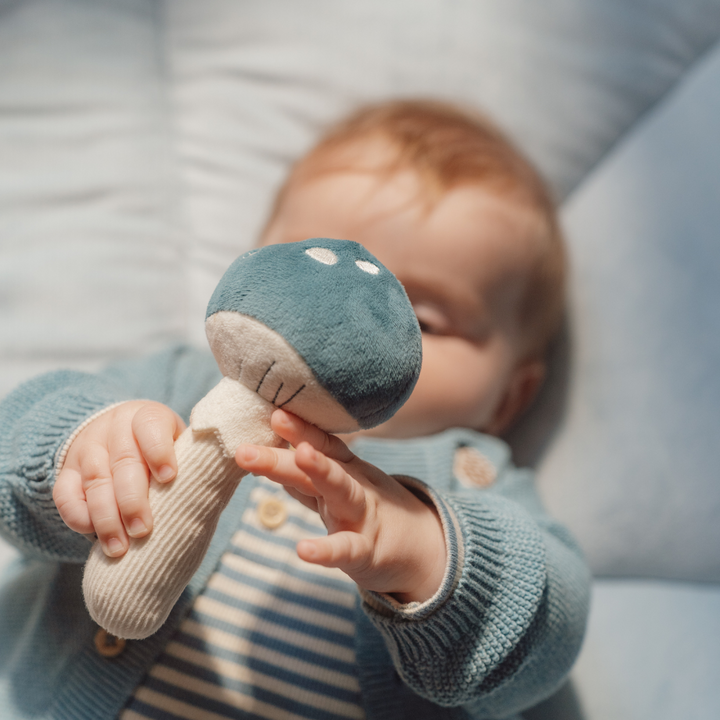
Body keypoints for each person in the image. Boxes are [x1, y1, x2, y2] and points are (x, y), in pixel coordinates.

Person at [0, 100, 590, 720]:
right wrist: (79, 449)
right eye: (306, 272)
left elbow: (553, 636)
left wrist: (425, 554)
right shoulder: (179, 383)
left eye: (421, 320)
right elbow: (17, 437)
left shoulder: (474, 484)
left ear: (509, 397)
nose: (332, 327)